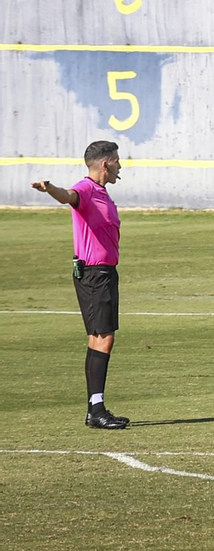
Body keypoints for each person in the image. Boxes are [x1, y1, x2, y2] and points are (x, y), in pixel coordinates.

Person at [31, 141, 133, 429]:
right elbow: (69, 196)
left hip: (103, 273)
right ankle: (96, 410)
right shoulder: (87, 189)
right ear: (105, 164)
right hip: (94, 274)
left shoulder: (102, 192)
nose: (120, 166)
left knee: (99, 338)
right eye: (117, 161)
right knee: (103, 337)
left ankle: (96, 408)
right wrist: (49, 188)